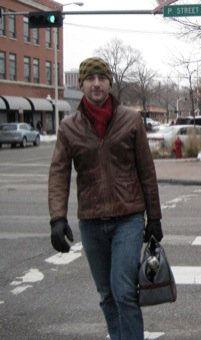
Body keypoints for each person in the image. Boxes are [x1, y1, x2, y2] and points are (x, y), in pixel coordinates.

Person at [48, 57, 163, 340]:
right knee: (106, 294)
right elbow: (59, 174)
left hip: (129, 217)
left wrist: (155, 216)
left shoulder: (130, 119)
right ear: (82, 84)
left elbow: (146, 170)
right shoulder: (69, 127)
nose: (96, 84)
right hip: (91, 221)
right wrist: (57, 218)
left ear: (109, 82)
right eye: (90, 78)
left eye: (101, 78)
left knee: (123, 290)